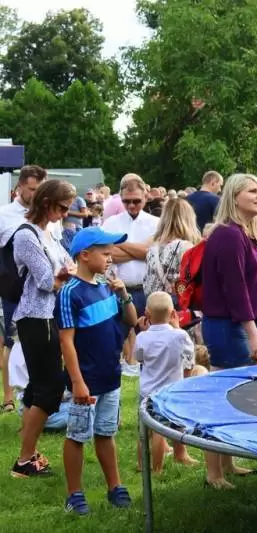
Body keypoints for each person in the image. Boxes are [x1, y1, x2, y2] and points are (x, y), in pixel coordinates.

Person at [57, 226, 138, 515]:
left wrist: (124, 293)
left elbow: (131, 321)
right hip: (87, 380)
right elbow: (66, 341)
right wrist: (77, 382)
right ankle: (74, 494)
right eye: (105, 253)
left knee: (106, 432)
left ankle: (115, 486)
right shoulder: (70, 293)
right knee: (78, 435)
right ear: (84, 255)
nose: (110, 258)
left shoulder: (106, 286)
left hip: (110, 376)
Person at [200, 173, 257, 488]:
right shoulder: (229, 235)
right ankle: (213, 472)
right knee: (221, 400)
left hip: (237, 323)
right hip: (227, 326)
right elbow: (235, 288)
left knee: (232, 397)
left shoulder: (242, 234)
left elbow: (251, 284)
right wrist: (251, 331)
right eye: (252, 191)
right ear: (234, 196)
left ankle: (227, 462)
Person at [10, 180, 75, 478]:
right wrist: (62, 275)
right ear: (46, 202)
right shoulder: (26, 235)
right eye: (62, 207)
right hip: (35, 317)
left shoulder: (48, 232)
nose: (65, 213)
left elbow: (69, 266)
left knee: (38, 388)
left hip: (47, 315)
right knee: (49, 391)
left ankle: (29, 454)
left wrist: (63, 274)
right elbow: (47, 280)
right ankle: (24, 460)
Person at [0, 165, 53, 413]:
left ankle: (36, 395)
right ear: (19, 186)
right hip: (14, 290)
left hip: (43, 291)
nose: (36, 194)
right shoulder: (4, 215)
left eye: (41, 189)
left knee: (43, 342)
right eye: (32, 189)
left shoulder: (49, 216)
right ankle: (10, 397)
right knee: (13, 341)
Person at [135, 292, 197, 473]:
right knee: (162, 430)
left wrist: (144, 333)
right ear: (172, 313)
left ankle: (142, 465)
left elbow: (139, 358)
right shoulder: (180, 336)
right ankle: (157, 469)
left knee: (145, 431)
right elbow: (189, 359)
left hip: (147, 391)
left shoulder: (142, 337)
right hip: (171, 391)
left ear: (147, 313)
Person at [103, 176, 159, 373]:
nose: (132, 205)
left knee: (149, 343)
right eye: (126, 201)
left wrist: (120, 243)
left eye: (136, 201)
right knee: (117, 342)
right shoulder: (111, 223)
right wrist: (142, 250)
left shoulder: (155, 223)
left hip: (146, 291)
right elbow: (107, 254)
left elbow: (152, 254)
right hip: (118, 290)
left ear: (146, 196)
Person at [143, 198, 202, 299]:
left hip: (155, 303)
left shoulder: (153, 248)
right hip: (178, 303)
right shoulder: (186, 247)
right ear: (189, 218)